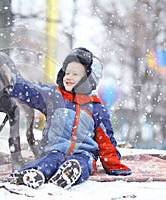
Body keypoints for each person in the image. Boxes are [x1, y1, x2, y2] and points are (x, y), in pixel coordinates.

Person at [8, 47, 132, 189]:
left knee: (82, 163)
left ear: (88, 78)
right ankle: (33, 174)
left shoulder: (96, 108)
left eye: (75, 74)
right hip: (55, 149)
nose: (69, 77)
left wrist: (114, 165)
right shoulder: (54, 97)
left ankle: (70, 173)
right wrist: (13, 82)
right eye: (67, 72)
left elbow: (106, 142)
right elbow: (33, 90)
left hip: (83, 153)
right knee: (48, 161)